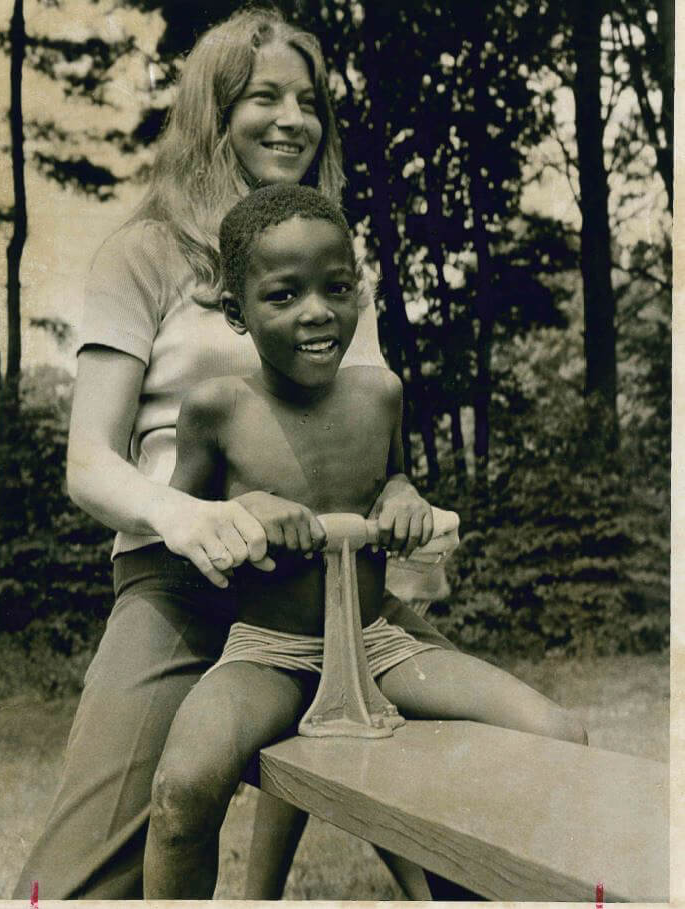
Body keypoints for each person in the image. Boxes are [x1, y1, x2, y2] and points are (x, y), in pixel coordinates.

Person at [12, 7, 461, 900]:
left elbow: (371, 440)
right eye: (264, 98)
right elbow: (88, 461)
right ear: (213, 114)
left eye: (309, 101)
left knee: (473, 813)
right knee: (80, 880)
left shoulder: (329, 263)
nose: (293, 120)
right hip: (179, 581)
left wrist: (406, 537)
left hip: (322, 588)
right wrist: (189, 517)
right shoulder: (143, 253)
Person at [141, 184, 588, 899]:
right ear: (236, 311)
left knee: (557, 735)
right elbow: (179, 532)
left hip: (379, 645)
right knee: (180, 792)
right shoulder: (217, 406)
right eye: (284, 295)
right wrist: (242, 512)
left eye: (337, 287)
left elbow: (393, 478)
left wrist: (405, 498)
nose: (317, 311)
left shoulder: (379, 393)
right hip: (269, 653)